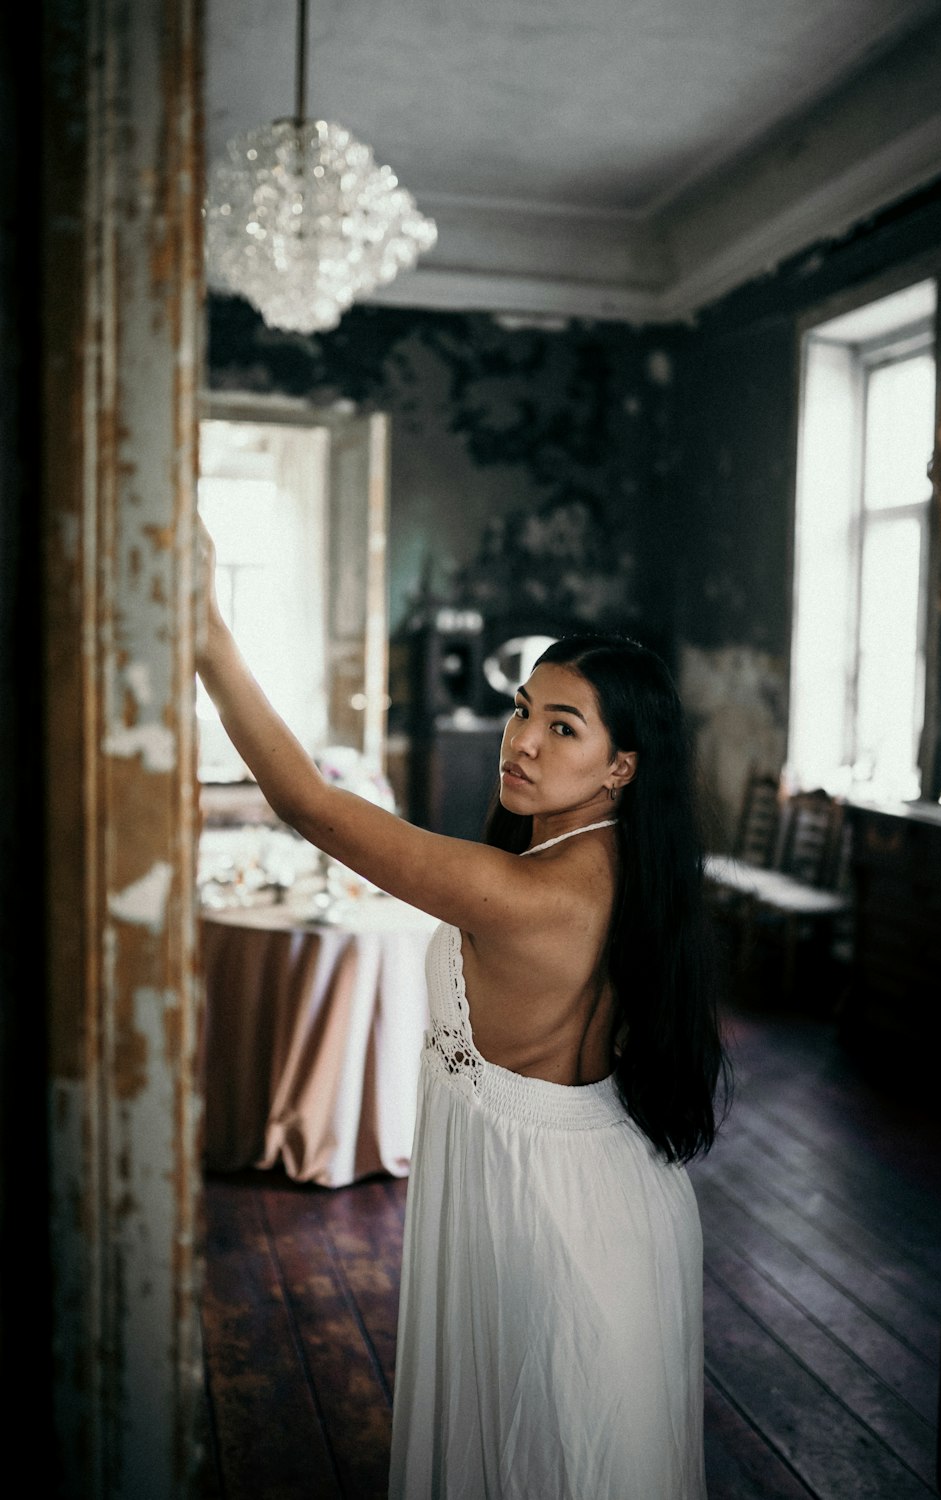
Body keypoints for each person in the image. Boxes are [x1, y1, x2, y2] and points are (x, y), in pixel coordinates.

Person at [194, 518, 730, 1499]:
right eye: (524, 710)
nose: (521, 739)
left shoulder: (540, 892)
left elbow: (311, 805)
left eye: (562, 728)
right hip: (589, 1183)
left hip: (555, 1218)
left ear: (621, 767)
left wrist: (206, 634)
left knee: (561, 1460)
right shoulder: (612, 862)